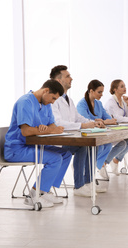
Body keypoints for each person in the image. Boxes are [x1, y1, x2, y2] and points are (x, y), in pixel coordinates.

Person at [4, 79, 72, 208]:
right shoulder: (25, 102)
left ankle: (44, 191)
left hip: (34, 144)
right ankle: (33, 195)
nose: (53, 102)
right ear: (46, 91)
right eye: (53, 98)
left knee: (66, 154)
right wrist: (48, 130)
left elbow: (51, 124)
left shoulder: (45, 104)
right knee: (55, 158)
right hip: (17, 149)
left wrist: (50, 129)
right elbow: (26, 131)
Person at [50, 65, 109, 196]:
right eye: (68, 76)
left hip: (69, 137)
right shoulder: (53, 100)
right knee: (83, 146)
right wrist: (82, 126)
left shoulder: (68, 99)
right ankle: (80, 186)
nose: (71, 78)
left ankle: (88, 183)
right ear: (59, 81)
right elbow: (58, 123)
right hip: (57, 140)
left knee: (90, 146)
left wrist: (93, 123)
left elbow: (77, 117)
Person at [77, 79, 117, 179]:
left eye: (102, 92)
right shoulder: (82, 104)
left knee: (107, 145)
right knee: (100, 147)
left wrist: (102, 121)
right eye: (99, 92)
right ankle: (87, 169)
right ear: (91, 91)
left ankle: (97, 167)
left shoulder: (98, 103)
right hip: (85, 134)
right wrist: (100, 121)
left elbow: (108, 118)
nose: (102, 94)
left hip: (98, 132)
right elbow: (85, 121)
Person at [104, 79, 128, 175]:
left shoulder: (123, 101)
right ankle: (103, 163)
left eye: (124, 86)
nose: (125, 88)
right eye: (122, 86)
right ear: (115, 89)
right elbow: (116, 118)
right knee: (122, 143)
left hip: (119, 129)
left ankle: (115, 161)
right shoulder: (110, 102)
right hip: (110, 130)